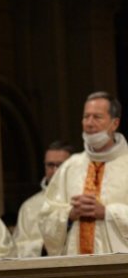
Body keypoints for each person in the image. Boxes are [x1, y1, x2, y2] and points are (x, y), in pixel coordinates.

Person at [39, 92, 128, 255]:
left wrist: (108, 213)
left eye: (97, 117)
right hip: (76, 266)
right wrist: (70, 215)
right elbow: (46, 217)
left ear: (115, 123)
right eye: (86, 117)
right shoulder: (70, 166)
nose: (89, 123)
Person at [12, 141, 74, 258]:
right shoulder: (30, 207)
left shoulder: (82, 201)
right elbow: (17, 249)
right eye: (50, 165)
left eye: (60, 165)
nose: (55, 171)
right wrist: (43, 247)